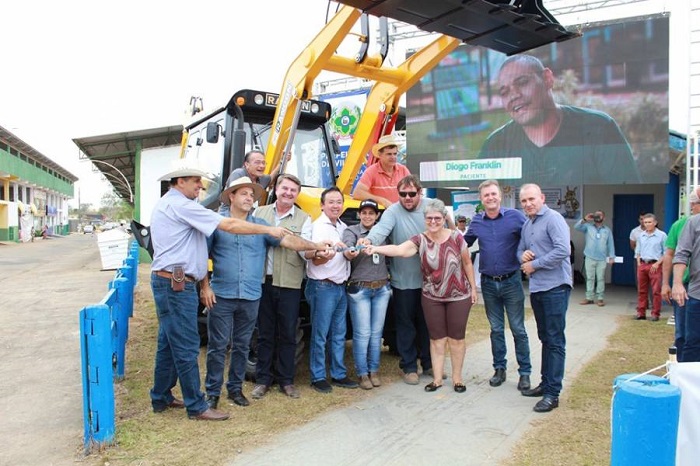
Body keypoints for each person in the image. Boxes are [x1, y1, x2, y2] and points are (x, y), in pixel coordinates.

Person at [149, 161, 290, 421]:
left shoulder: (170, 204)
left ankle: (161, 396)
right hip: (176, 283)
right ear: (180, 181)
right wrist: (268, 228)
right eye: (195, 182)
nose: (200, 186)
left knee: (168, 344)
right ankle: (197, 406)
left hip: (175, 281)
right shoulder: (182, 205)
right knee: (188, 346)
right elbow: (229, 226)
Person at [200, 177, 328, 410]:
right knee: (218, 346)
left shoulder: (260, 225)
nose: (250, 198)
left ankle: (235, 389)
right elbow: (201, 256)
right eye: (244, 194)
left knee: (241, 345)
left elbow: (289, 241)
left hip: (250, 295)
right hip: (222, 294)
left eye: (252, 195)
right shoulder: (217, 224)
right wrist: (205, 287)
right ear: (231, 196)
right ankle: (212, 393)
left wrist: (316, 245)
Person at [365, 199, 477, 393]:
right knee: (436, 339)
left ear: (443, 218)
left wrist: (474, 289)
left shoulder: (456, 238)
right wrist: (375, 248)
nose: (433, 221)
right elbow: (399, 250)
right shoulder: (420, 239)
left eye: (437, 218)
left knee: (456, 338)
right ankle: (437, 379)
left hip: (458, 295)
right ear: (425, 219)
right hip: (432, 296)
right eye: (429, 218)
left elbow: (467, 263)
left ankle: (457, 379)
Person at [478, 55, 641, 185]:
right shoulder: (495, 144)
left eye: (522, 82)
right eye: (504, 92)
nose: (514, 95)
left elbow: (630, 194)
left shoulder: (599, 128)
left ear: (547, 78)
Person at [360, 175, 433, 385]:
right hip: (403, 281)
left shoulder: (432, 207)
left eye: (412, 194)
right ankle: (409, 366)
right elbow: (380, 231)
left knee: (427, 325)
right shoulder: (392, 211)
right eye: (403, 194)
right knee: (405, 325)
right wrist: (369, 240)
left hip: (430, 281)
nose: (407, 198)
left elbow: (447, 226)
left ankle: (428, 364)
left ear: (420, 193)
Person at [465, 180, 531, 391]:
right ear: (481, 199)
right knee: (495, 329)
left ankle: (525, 373)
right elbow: (462, 244)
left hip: (511, 281)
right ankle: (499, 369)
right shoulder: (476, 221)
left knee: (518, 329)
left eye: (493, 194)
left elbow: (531, 238)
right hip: (489, 284)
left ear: (500, 196)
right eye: (486, 195)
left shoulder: (516, 217)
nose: (490, 198)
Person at [252, 174, 314, 400]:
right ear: (277, 189)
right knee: (264, 333)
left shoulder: (305, 219)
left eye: (293, 191)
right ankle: (262, 380)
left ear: (297, 194)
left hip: (289, 282)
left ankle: (286, 381)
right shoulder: (259, 213)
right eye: (285, 189)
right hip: (262, 281)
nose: (288, 193)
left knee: (288, 333)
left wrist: (318, 251)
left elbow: (305, 250)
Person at [517, 183, 572, 413]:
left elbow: (563, 250)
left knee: (555, 340)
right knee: (545, 338)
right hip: (538, 289)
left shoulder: (553, 219)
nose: (528, 204)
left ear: (541, 197)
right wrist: (523, 256)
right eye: (524, 201)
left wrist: (533, 264)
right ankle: (545, 383)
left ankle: (552, 393)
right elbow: (519, 250)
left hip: (555, 287)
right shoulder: (528, 223)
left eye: (531, 199)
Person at [303, 186, 358, 393]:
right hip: (322, 286)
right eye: (331, 202)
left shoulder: (343, 227)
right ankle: (317, 376)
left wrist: (349, 255)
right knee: (320, 334)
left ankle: (338, 374)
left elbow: (343, 254)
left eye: (339, 202)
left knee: (339, 334)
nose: (336, 206)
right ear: (322, 205)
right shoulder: (316, 226)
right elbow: (311, 255)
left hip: (340, 286)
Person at [342, 199, 391, 390]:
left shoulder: (384, 233)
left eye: (372, 213)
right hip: (360, 290)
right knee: (362, 334)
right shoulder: (352, 232)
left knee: (376, 333)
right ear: (359, 215)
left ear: (377, 215)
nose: (368, 216)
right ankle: (362, 373)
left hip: (382, 289)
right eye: (364, 213)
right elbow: (347, 249)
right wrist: (352, 251)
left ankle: (374, 370)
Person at [663, 187, 700, 362]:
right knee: (688, 337)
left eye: (695, 204)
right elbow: (676, 254)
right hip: (692, 290)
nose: (692, 207)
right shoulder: (688, 224)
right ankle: (685, 377)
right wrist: (672, 283)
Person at [671, 204, 700, 362]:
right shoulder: (694, 223)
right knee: (693, 342)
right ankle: (688, 383)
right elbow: (681, 254)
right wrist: (677, 283)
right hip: (697, 294)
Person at [352, 134, 411, 208]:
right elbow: (357, 193)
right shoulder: (371, 171)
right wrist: (382, 201)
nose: (393, 157)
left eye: (395, 154)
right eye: (389, 154)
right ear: (380, 155)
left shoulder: (403, 170)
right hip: (381, 216)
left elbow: (413, 191)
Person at [574, 210, 615, 306]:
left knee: (600, 278)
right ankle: (589, 298)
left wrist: (612, 256)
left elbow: (610, 244)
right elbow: (576, 227)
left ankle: (600, 298)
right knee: (590, 278)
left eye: (600, 215)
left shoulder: (607, 230)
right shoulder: (588, 227)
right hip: (589, 256)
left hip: (602, 258)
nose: (598, 216)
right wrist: (585, 219)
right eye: (596, 215)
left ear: (603, 218)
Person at [635, 213, 666, 321]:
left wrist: (657, 264)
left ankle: (655, 314)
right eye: (645, 222)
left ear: (655, 223)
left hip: (655, 265)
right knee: (641, 290)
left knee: (656, 291)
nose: (647, 224)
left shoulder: (662, 235)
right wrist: (639, 263)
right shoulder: (641, 235)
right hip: (643, 264)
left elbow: (666, 253)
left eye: (649, 222)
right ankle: (641, 313)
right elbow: (637, 251)